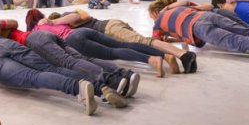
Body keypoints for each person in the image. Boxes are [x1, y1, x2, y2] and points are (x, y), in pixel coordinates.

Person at [0, 18, 100, 115]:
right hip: (3, 43)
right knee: (50, 68)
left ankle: (78, 88)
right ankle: (98, 86)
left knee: (33, 77)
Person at [3, 15, 135, 106]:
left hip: (33, 40)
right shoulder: (35, 27)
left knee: (69, 62)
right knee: (81, 58)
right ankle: (123, 75)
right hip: (49, 36)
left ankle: (112, 81)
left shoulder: (2, 36)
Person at [148, 0, 249, 65]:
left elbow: (154, 42)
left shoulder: (158, 23)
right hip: (206, 16)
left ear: (155, 13)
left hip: (199, 27)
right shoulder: (177, 7)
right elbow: (201, 8)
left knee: (236, 41)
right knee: (247, 32)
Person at [29, 9, 171, 77]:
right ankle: (162, 55)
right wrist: (53, 21)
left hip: (72, 40)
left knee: (111, 53)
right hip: (82, 31)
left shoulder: (35, 31)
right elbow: (76, 16)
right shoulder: (53, 21)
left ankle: (152, 60)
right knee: (121, 45)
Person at [63, 7, 197, 74]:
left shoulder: (65, 18)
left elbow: (82, 14)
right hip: (112, 24)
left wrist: (54, 21)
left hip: (109, 28)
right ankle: (170, 57)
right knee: (141, 41)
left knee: (144, 42)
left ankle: (183, 55)